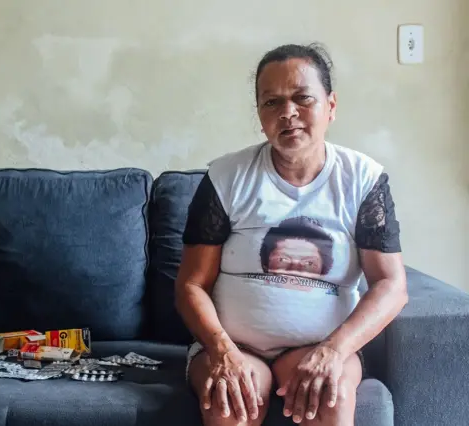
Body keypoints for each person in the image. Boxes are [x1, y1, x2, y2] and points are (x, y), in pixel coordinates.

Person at [174, 43, 408, 426]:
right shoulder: (226, 177)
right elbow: (191, 284)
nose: (288, 113)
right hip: (234, 347)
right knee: (229, 402)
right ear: (260, 114)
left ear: (331, 105)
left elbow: (391, 285)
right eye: (272, 102)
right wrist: (222, 350)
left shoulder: (363, 180)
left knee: (329, 396)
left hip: (321, 345)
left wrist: (334, 351)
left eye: (303, 98)